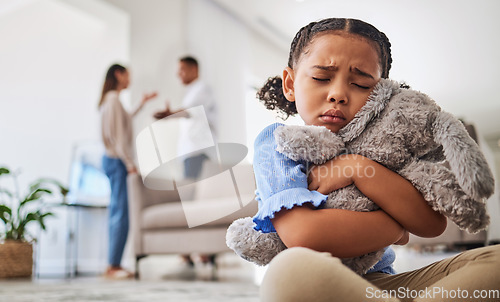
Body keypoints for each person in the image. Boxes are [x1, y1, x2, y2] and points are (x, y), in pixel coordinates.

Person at [253, 18, 500, 301]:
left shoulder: (385, 147)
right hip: (320, 283)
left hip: (380, 287)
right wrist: (396, 228)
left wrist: (358, 168)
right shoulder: (277, 142)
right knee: (290, 269)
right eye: (322, 78)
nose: (338, 94)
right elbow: (303, 236)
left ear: (383, 96)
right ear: (290, 84)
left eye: (360, 84)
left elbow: (431, 225)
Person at [154, 56, 218, 279]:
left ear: (193, 69)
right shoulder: (193, 91)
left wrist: (169, 114)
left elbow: (189, 112)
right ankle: (195, 251)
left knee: (194, 201)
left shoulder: (201, 89)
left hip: (197, 153)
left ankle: (201, 251)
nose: (178, 74)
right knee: (192, 201)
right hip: (190, 153)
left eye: (181, 70)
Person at [99, 64, 157, 279]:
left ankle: (114, 264)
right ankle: (113, 266)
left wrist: (141, 103)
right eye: (128, 75)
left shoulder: (112, 100)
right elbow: (117, 137)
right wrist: (129, 162)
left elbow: (124, 120)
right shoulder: (113, 99)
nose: (129, 79)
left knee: (119, 211)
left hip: (113, 160)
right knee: (120, 213)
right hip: (117, 161)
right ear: (118, 74)